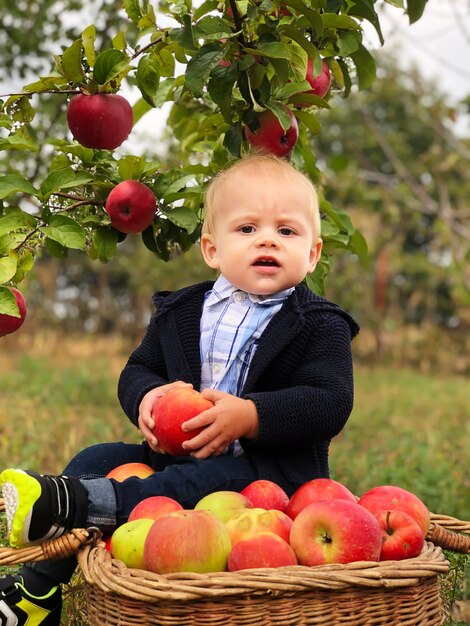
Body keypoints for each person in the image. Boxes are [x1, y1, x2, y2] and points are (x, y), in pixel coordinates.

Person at [0, 154, 359, 625]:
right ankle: (38, 590)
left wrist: (251, 416)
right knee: (94, 457)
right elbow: (139, 368)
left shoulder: (318, 325)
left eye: (287, 231)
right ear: (212, 249)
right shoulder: (184, 311)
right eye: (247, 229)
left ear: (312, 254)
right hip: (174, 451)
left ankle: (79, 504)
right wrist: (147, 399)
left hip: (260, 477)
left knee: (176, 487)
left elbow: (330, 401)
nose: (268, 239)